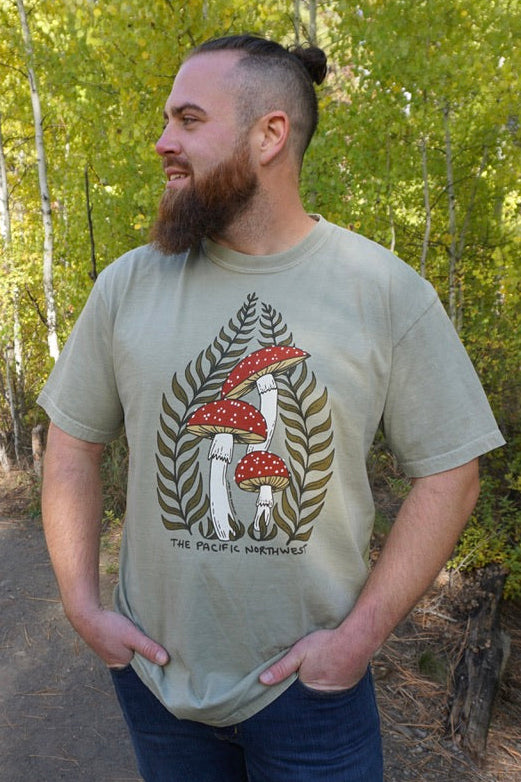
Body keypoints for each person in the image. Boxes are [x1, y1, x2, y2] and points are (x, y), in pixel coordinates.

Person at [38, 34, 505, 782]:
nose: (163, 142)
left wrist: (358, 637)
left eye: (188, 120)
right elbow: (71, 447)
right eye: (166, 121)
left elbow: (452, 473)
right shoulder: (127, 285)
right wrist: (82, 607)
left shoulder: (381, 290)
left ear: (269, 135)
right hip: (156, 682)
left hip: (312, 688)